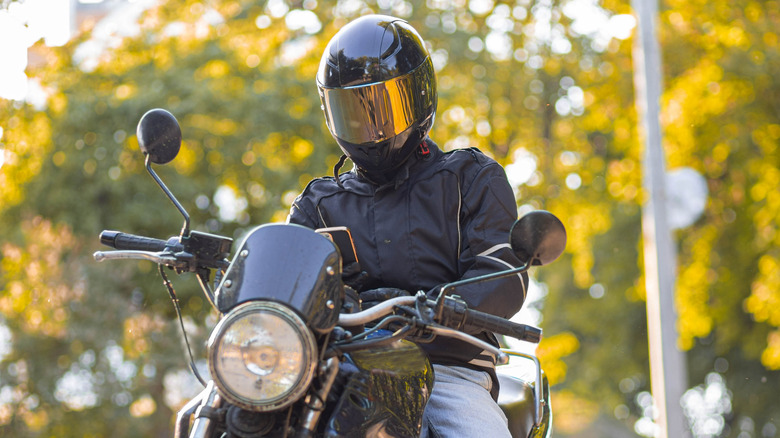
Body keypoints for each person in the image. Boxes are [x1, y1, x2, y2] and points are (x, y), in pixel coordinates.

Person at [287, 14, 527, 438]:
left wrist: (441, 307)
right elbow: (287, 284)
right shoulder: (318, 205)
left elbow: (504, 273)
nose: (370, 127)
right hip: (338, 370)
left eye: (384, 107)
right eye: (353, 112)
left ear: (420, 98)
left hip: (447, 371)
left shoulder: (469, 178)